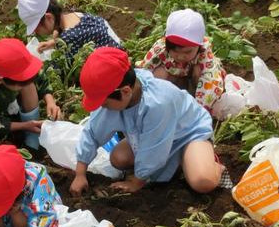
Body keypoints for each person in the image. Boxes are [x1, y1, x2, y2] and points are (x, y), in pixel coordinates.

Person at [70, 47, 229, 196]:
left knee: (202, 182)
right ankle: (181, 164)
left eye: (104, 103)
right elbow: (92, 132)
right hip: (154, 136)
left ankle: (211, 165)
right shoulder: (114, 95)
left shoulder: (158, 103)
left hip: (187, 135)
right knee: (118, 158)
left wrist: (137, 181)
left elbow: (155, 148)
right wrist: (80, 173)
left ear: (125, 91)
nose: (103, 108)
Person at [0, 38, 61, 151]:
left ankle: (32, 139)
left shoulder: (20, 60)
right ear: (0, 79)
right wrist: (26, 125)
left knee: (28, 85)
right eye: (19, 85)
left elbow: (41, 79)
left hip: (9, 96)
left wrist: (51, 102)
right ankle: (26, 127)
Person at [137, 9, 225, 112]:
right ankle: (159, 101)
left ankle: (193, 99)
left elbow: (211, 82)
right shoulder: (160, 48)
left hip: (196, 84)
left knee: (199, 71)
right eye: (174, 51)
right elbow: (144, 71)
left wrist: (198, 111)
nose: (180, 57)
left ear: (199, 45)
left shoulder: (204, 53)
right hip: (175, 78)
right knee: (158, 73)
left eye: (187, 52)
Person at [18, 0, 121, 60]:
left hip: (116, 62)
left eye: (36, 28)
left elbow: (61, 69)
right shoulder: (74, 15)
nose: (36, 32)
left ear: (49, 17)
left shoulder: (68, 38)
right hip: (118, 47)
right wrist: (53, 42)